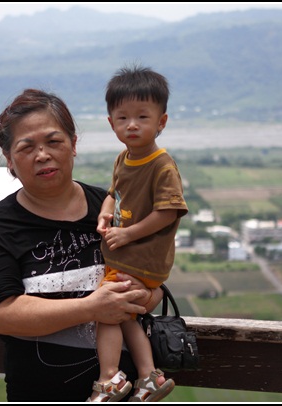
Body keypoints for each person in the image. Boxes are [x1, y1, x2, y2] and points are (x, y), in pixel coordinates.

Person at [0, 88, 167, 402]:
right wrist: (92, 307)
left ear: (73, 144)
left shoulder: (111, 206)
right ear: (10, 160)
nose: (42, 155)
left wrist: (145, 294)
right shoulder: (1, 226)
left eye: (53, 141)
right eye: (26, 147)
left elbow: (154, 277)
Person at [88, 66, 188, 402]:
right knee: (125, 315)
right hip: (128, 257)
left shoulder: (162, 165)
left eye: (142, 117)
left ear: (161, 122)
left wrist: (128, 235)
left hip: (140, 259)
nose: (132, 125)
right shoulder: (123, 158)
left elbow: (169, 211)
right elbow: (113, 194)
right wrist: (105, 213)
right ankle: (149, 376)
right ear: (111, 123)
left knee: (107, 313)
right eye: (123, 118)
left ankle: (109, 379)